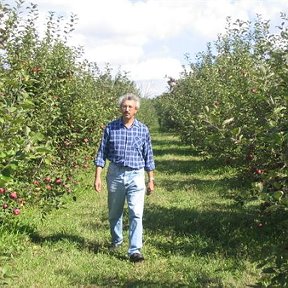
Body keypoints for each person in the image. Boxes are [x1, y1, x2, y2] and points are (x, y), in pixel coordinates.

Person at [94, 93, 155, 263]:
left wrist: (151, 179)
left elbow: (148, 155)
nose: (126, 109)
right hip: (115, 173)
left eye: (130, 107)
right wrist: (97, 176)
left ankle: (135, 250)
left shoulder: (143, 129)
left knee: (136, 212)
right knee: (115, 212)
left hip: (136, 174)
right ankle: (117, 241)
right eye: (124, 106)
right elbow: (101, 154)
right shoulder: (111, 128)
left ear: (136, 109)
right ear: (120, 108)